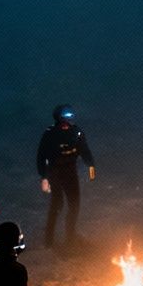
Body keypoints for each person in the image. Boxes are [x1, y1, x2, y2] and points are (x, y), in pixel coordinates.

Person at [34, 104, 96, 247]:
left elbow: (84, 150)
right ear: (58, 119)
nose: (67, 122)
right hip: (54, 171)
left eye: (70, 118)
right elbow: (41, 156)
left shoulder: (77, 133)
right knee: (57, 204)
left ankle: (70, 237)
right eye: (65, 118)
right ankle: (49, 241)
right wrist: (44, 177)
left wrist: (91, 165)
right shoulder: (50, 134)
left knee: (74, 204)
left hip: (70, 171)